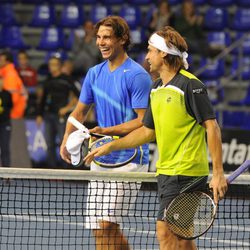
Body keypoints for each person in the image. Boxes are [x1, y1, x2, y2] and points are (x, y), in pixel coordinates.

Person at [84, 26, 228, 250]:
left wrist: (218, 173)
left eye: (151, 51)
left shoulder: (190, 86)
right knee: (181, 236)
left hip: (187, 172)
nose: (147, 56)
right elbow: (147, 132)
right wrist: (111, 146)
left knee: (165, 231)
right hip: (166, 172)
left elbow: (212, 127)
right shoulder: (156, 88)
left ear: (163, 53)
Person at [60, 16, 152, 250]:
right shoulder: (94, 73)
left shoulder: (137, 75)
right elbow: (79, 112)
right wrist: (65, 140)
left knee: (106, 225)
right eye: (99, 37)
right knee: (99, 229)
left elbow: (143, 121)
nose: (101, 42)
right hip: (100, 156)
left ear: (122, 39)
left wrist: (107, 131)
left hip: (130, 157)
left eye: (107, 37)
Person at [36, 56, 79, 168]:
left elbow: (80, 97)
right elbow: (43, 99)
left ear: (59, 66)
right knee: (49, 143)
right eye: (50, 64)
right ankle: (52, 170)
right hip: (49, 115)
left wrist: (67, 108)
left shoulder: (67, 79)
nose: (51, 67)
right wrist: (39, 114)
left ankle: (66, 168)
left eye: (54, 64)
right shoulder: (48, 80)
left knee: (63, 142)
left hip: (62, 116)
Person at [0, 50, 31, 168]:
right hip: (11, 115)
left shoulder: (10, 75)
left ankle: (14, 172)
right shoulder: (6, 73)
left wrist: (7, 112)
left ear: (6, 61)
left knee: (12, 146)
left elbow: (11, 99)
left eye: (1, 59)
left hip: (13, 115)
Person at [16, 50, 38, 117]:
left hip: (30, 96)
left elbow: (34, 87)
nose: (22, 61)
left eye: (24, 58)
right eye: (20, 59)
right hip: (17, 97)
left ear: (27, 59)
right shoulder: (15, 71)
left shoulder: (32, 71)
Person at [0, 76, 12, 167]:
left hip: (5, 124)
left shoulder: (7, 94)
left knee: (5, 148)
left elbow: (10, 107)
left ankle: (7, 173)